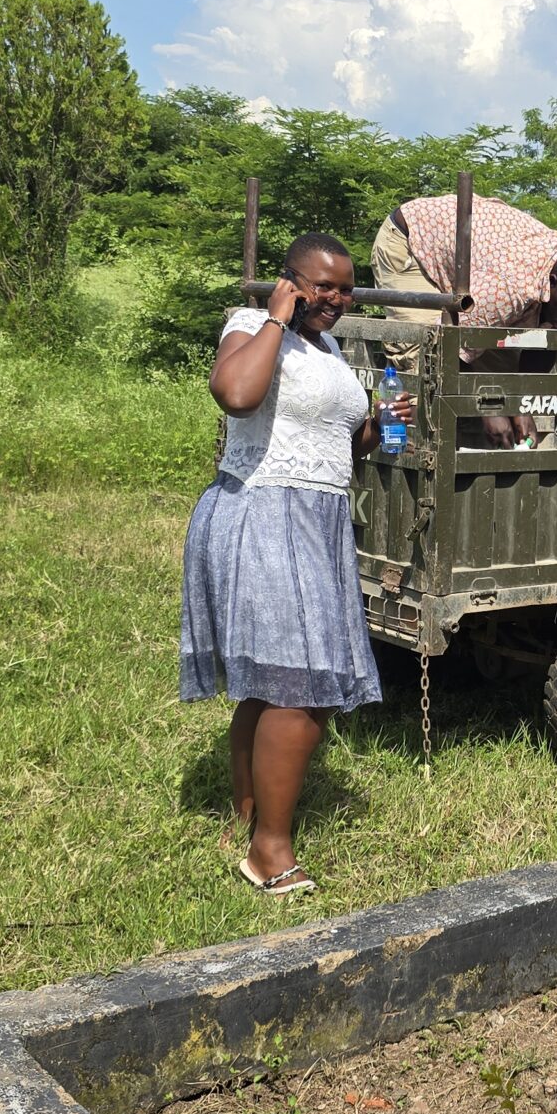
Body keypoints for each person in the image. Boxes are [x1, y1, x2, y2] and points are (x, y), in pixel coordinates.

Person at [182, 232, 414, 895]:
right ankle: (268, 851)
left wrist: (379, 423)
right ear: (290, 281)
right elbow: (234, 394)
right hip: (261, 512)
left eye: (346, 289)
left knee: (273, 684)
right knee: (304, 686)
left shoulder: (331, 348)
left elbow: (339, 443)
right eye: (322, 286)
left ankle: (249, 815)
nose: (336, 299)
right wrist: (277, 318)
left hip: (318, 520)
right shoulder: (252, 325)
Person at [371, 194, 557, 447]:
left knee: (501, 375)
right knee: (425, 354)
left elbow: (543, 341)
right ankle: (418, 453)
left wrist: (519, 405)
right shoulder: (507, 289)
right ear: (552, 283)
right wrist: (488, 407)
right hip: (412, 244)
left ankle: (480, 456)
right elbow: (447, 352)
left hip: (477, 262)